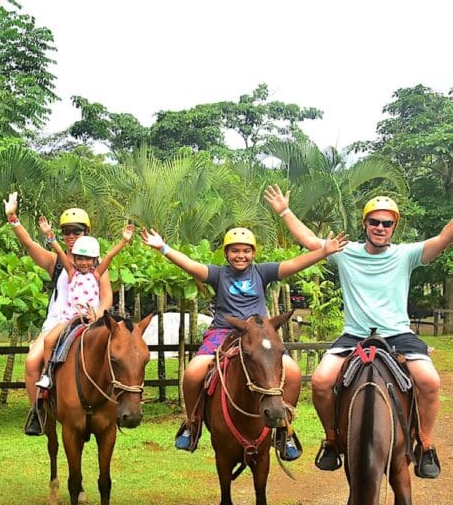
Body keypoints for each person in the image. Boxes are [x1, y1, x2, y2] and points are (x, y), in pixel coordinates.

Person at [264, 184, 453, 479]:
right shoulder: (345, 252)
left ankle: (425, 444)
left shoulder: (406, 254)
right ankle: (331, 439)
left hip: (397, 334)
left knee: (429, 381)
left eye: (387, 223)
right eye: (374, 222)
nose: (380, 227)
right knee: (321, 381)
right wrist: (285, 211)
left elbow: (443, 238)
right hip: (355, 335)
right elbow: (310, 241)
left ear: (394, 227)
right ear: (364, 224)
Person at [141, 225, 348, 454]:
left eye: (246, 251)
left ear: (254, 253)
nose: (241, 255)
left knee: (293, 372)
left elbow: (293, 265)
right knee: (193, 372)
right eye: (235, 250)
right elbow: (191, 266)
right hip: (223, 332)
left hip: (259, 336)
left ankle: (284, 428)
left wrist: (324, 252)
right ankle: (193, 423)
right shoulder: (218, 274)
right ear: (227, 253)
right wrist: (163, 248)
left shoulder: (262, 272)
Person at [4, 194, 114, 435]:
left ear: (87, 232)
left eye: (77, 231)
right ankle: (38, 412)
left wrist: (99, 314)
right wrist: (13, 219)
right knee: (33, 361)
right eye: (67, 232)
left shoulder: (97, 267)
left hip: (91, 322)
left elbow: (107, 298)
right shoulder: (56, 262)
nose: (71, 236)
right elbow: (30, 245)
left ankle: (118, 404)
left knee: (121, 356)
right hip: (58, 322)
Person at [35, 219, 134, 388]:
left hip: (89, 319)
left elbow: (110, 256)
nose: (83, 263)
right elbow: (58, 249)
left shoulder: (96, 274)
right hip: (68, 319)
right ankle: (48, 374)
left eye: (88, 259)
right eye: (80, 258)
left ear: (95, 260)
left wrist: (124, 241)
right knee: (49, 340)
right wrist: (48, 234)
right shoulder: (72, 272)